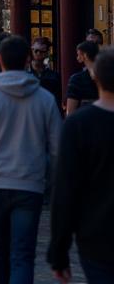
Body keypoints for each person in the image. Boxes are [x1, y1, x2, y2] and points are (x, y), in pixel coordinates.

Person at [0, 34, 61, 284]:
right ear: (28, 60)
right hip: (29, 184)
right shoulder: (44, 99)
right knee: (23, 254)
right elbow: (58, 148)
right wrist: (52, 182)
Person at [48, 46, 114, 283]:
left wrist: (59, 250)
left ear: (95, 76)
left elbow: (66, 190)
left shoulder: (79, 124)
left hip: (97, 234)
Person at [65, 40, 99, 115]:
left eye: (78, 54)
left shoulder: (77, 79)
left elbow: (70, 112)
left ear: (85, 55)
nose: (77, 58)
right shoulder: (108, 76)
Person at [29, 36, 62, 109]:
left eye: (41, 51)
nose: (38, 53)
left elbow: (57, 101)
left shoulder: (54, 76)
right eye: (36, 50)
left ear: (47, 53)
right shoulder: (25, 74)